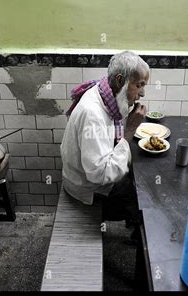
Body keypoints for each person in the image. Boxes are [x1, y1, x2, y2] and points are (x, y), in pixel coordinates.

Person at [60, 51, 149, 237]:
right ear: (119, 80)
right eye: (139, 85)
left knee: (134, 178)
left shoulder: (103, 91)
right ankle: (141, 237)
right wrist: (130, 130)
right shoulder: (92, 114)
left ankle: (136, 226)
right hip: (86, 188)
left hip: (86, 175)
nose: (142, 93)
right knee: (142, 196)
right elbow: (101, 174)